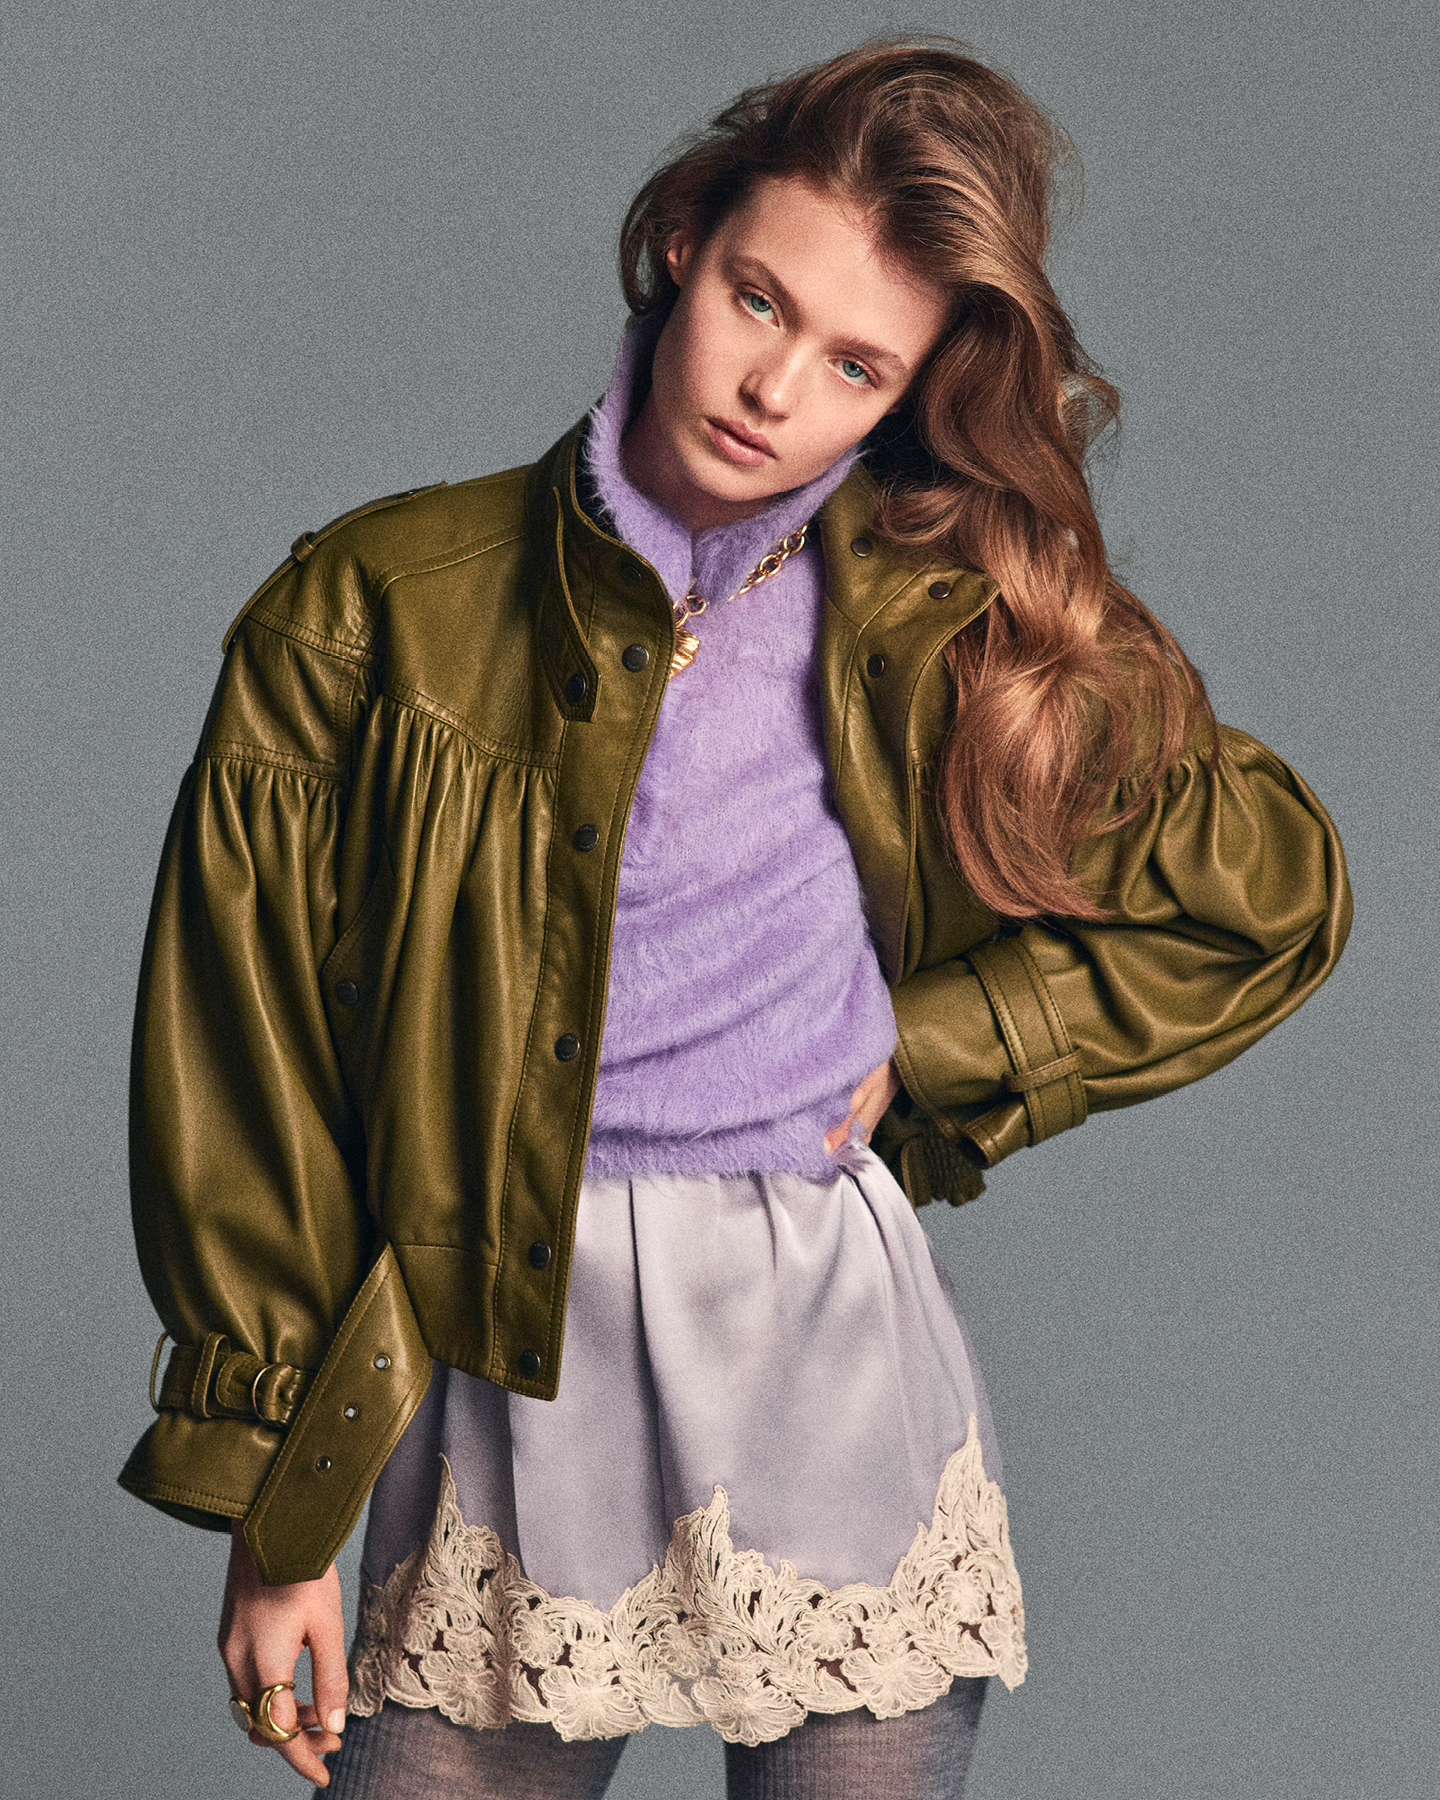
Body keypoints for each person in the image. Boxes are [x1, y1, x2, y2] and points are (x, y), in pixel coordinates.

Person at [120, 37, 1350, 1800]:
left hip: (828, 1364)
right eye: (761, 301)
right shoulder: (373, 608)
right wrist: (278, 1506)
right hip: (494, 1369)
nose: (775, 389)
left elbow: (1270, 892)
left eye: (857, 363)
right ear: (685, 243)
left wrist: (933, 1042)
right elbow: (248, 1067)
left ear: (909, 394)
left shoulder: (937, 622)